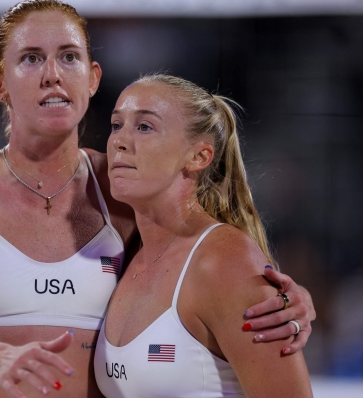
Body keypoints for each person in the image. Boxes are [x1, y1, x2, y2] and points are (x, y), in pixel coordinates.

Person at [0, 2, 315, 397]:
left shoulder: (122, 191)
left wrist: (279, 298)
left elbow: (202, 260)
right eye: (31, 58)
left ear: (92, 78)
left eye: (69, 57)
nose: (52, 75)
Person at [94, 74, 313, 397]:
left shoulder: (223, 259)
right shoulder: (124, 251)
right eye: (116, 125)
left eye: (144, 127)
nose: (119, 141)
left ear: (199, 156)